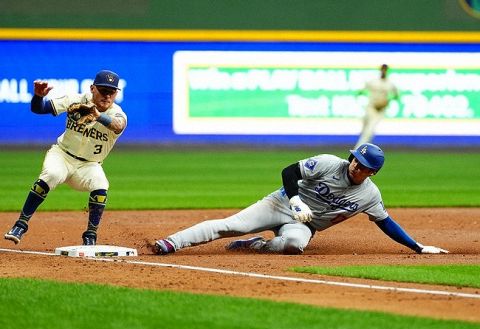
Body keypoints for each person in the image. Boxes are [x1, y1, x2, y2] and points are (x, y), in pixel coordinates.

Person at [152, 143, 448, 256]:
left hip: (304, 225)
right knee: (231, 225)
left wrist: (417, 246)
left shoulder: (369, 195)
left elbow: (386, 222)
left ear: (373, 172)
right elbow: (289, 170)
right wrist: (295, 199)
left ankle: (259, 245)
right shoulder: (329, 163)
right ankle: (172, 242)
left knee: (293, 245)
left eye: (364, 165)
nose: (357, 165)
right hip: (280, 203)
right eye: (356, 159)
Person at [4, 70, 127, 246]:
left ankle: (90, 236)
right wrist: (38, 97)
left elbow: (118, 126)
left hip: (89, 165)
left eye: (112, 91)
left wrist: (97, 115)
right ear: (92, 88)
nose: (107, 96)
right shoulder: (75, 99)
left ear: (116, 93)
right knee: (52, 175)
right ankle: (20, 225)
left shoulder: (118, 113)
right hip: (62, 155)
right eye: (103, 90)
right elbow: (38, 108)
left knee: (101, 185)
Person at [354, 64, 399, 149]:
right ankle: (363, 147)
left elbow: (396, 96)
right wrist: (359, 95)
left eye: (385, 70)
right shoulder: (373, 81)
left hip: (379, 110)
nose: (383, 71)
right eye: (382, 69)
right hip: (370, 107)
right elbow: (362, 91)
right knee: (364, 129)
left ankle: (358, 150)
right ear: (380, 70)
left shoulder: (390, 84)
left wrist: (388, 100)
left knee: (369, 130)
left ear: (387, 71)